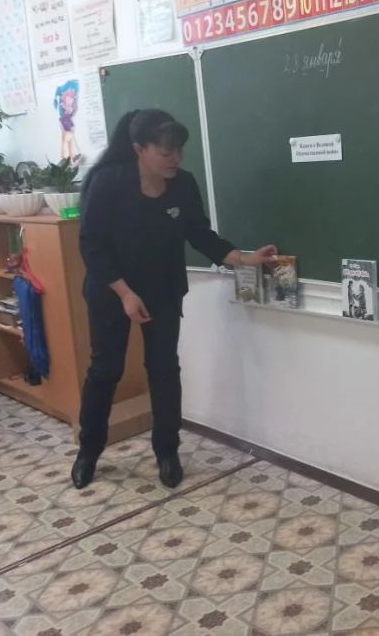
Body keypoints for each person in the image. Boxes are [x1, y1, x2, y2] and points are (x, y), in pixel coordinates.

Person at [72, 109, 277, 490]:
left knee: (164, 369)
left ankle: (167, 451)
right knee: (105, 370)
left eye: (179, 151)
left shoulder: (182, 184)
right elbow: (91, 245)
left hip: (162, 289)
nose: (175, 159)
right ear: (139, 149)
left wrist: (243, 258)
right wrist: (126, 293)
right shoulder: (109, 181)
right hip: (111, 290)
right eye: (166, 152)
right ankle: (89, 451)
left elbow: (200, 233)